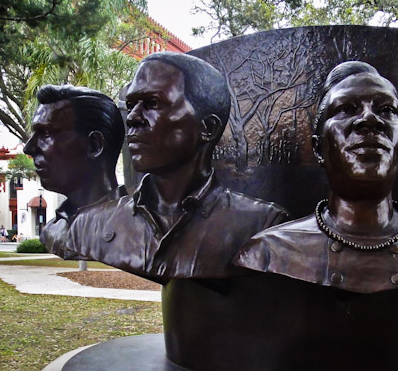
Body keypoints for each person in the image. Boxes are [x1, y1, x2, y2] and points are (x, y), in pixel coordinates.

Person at [235, 61, 398, 293]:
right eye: (346, 109)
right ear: (318, 148)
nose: (369, 120)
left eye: (386, 109)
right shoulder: (268, 253)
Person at [66, 52, 288, 283]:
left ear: (208, 127)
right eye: (131, 105)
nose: (132, 118)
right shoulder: (90, 224)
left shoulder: (264, 225)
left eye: (152, 103)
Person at [23, 84, 126, 259]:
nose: (29, 148)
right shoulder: (52, 230)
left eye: (46, 133)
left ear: (94, 145)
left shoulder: (135, 229)